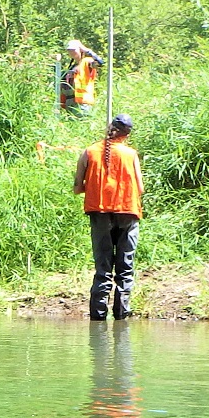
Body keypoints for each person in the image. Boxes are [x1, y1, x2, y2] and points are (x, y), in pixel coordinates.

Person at [73, 114, 144, 321]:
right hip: (128, 213)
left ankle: (98, 318)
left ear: (110, 128)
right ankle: (121, 317)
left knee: (102, 269)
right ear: (127, 134)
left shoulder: (89, 152)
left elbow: (78, 188)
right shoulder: (131, 155)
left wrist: (95, 186)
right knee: (125, 267)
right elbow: (139, 189)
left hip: (99, 214)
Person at [59, 39, 103, 115]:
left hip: (83, 104)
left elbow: (100, 62)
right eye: (69, 50)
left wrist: (86, 50)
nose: (71, 52)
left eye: (74, 50)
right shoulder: (70, 67)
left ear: (80, 50)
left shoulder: (87, 62)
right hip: (70, 105)